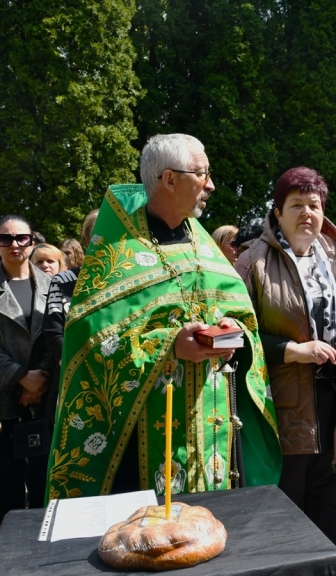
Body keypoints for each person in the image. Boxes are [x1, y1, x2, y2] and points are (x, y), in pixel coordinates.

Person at [46, 133, 282, 502]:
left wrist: (234, 332)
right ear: (169, 179)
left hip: (211, 419)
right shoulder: (119, 251)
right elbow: (91, 343)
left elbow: (241, 315)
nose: (211, 185)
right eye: (202, 174)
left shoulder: (204, 245)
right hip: (142, 435)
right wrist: (170, 345)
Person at [236, 167, 336, 547]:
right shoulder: (253, 262)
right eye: (295, 205)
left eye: (313, 205)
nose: (306, 214)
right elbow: (236, 333)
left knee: (327, 504)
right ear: (277, 212)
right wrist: (294, 351)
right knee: (285, 508)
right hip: (281, 406)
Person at [0, 215, 53, 522]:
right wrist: (22, 378)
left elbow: (56, 337)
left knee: (42, 491)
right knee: (6, 495)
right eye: (5, 239)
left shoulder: (51, 285)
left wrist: (40, 379)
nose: (14, 245)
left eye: (22, 238)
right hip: (5, 407)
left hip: (43, 405)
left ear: (32, 241)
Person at [41, 210, 99, 432]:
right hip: (74, 385)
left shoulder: (136, 281)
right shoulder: (65, 281)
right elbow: (54, 333)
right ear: (85, 241)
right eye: (99, 235)